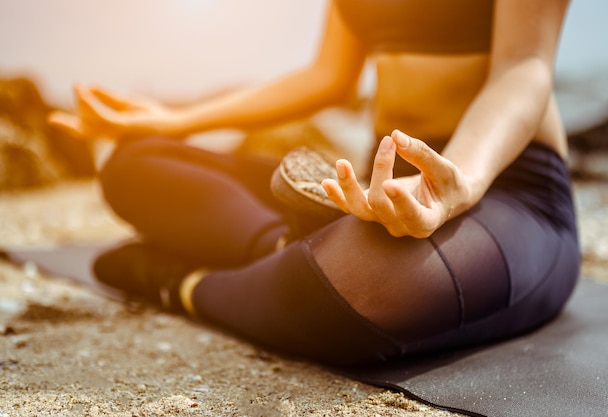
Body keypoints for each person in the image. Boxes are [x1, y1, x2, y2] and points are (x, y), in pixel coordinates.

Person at [48, 0, 579, 365]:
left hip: (507, 188)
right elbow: (327, 75)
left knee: (362, 285)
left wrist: (455, 180)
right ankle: (281, 248)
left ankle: (180, 282)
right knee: (135, 165)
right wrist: (170, 120)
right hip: (384, 183)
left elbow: (524, 66)